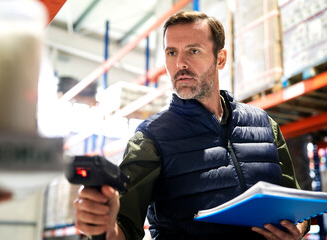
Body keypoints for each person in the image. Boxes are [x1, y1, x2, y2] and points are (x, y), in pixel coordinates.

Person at [74, 10, 310, 240]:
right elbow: (122, 230)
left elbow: (294, 202)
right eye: (171, 52)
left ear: (220, 58)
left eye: (193, 51)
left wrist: (299, 227)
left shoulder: (264, 125)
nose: (180, 64)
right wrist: (103, 226)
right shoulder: (150, 138)